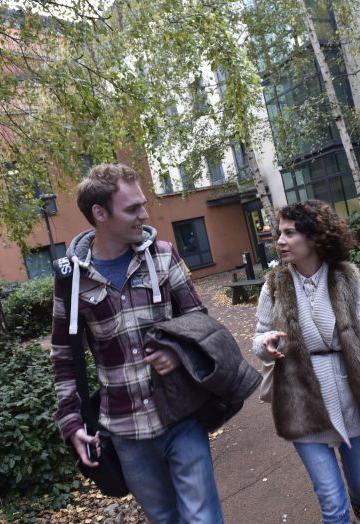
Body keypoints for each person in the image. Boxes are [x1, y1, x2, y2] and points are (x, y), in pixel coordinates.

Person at [50, 163, 224, 523]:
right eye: (132, 208)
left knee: (203, 518)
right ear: (100, 213)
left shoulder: (162, 255)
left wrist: (179, 352)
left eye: (142, 204)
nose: (144, 215)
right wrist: (72, 422)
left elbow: (201, 323)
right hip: (126, 431)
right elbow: (65, 358)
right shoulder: (71, 279)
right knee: (164, 518)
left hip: (181, 415)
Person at [253, 200, 360, 524]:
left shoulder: (347, 280)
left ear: (314, 236)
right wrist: (265, 347)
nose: (279, 240)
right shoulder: (275, 285)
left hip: (351, 396)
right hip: (302, 403)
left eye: (289, 233)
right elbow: (259, 337)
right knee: (333, 507)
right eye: (279, 233)